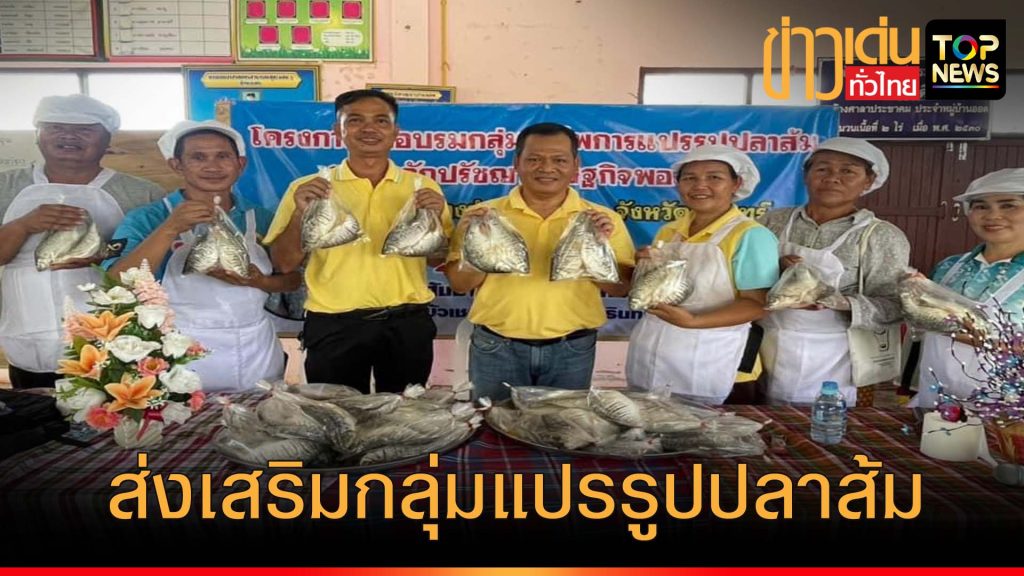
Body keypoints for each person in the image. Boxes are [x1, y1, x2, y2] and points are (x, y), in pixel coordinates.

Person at [265, 89, 451, 394]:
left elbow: (437, 259)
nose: (369, 128)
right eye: (355, 120)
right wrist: (300, 214)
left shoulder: (423, 186)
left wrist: (434, 220)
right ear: (337, 130)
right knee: (337, 413)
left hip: (406, 323)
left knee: (404, 413)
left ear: (396, 132)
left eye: (381, 120)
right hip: (334, 324)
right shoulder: (309, 188)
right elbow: (283, 263)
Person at [104, 120, 300, 393]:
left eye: (223, 156)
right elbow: (116, 282)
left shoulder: (261, 217)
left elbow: (292, 279)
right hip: (179, 349)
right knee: (185, 417)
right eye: (198, 157)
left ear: (240, 164)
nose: (212, 166)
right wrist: (170, 228)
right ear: (177, 165)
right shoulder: (148, 218)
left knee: (260, 414)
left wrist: (260, 282)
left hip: (256, 349)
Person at [445, 122, 635, 402]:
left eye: (559, 160)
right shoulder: (482, 215)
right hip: (496, 346)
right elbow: (460, 285)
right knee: (494, 422)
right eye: (534, 159)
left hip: (572, 349)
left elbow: (621, 289)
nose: (547, 168)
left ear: (575, 165)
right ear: (517, 163)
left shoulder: (601, 219)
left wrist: (596, 249)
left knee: (562, 425)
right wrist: (477, 248)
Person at [0, 94, 164, 389]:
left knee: (114, 414)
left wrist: (102, 254)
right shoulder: (5, 186)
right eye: (55, 127)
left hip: (117, 345)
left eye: (84, 129)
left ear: (107, 139)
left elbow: (160, 263)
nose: (68, 136)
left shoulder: (142, 193)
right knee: (37, 413)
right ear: (38, 135)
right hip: (28, 337)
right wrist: (23, 225)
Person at [758, 137, 910, 406]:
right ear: (806, 176)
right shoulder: (772, 221)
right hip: (768, 346)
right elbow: (742, 278)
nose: (832, 178)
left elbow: (895, 307)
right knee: (764, 419)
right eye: (822, 169)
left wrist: (841, 302)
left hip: (841, 357)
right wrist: (777, 270)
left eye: (848, 171)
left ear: (868, 181)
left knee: (830, 421)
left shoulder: (882, 236)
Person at [625, 145, 779, 405]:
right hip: (652, 356)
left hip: (716, 362)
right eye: (689, 178)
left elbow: (757, 305)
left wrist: (693, 320)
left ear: (736, 184)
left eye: (714, 177)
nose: (700, 185)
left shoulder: (750, 235)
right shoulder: (669, 231)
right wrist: (643, 268)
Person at [910, 168, 1024, 408]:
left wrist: (957, 330)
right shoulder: (949, 266)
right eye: (981, 206)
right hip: (937, 398)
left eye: (1008, 205)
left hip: (1008, 409)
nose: (993, 215)